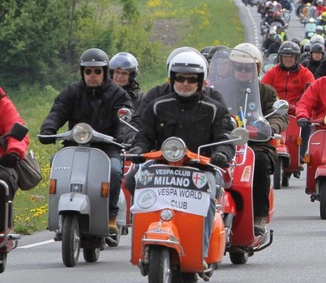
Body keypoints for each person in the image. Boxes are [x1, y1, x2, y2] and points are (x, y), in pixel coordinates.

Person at [128, 50, 233, 261]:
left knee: (210, 197)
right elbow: (144, 135)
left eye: (191, 79)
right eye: (180, 78)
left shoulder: (214, 109)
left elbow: (225, 139)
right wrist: (138, 150)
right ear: (171, 79)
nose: (185, 83)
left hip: (200, 169)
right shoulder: (157, 106)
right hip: (161, 167)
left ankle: (202, 253)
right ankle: (143, 244)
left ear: (201, 82)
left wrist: (222, 154)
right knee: (133, 180)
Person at [39, 48, 132, 238]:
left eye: (97, 71)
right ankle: (61, 217)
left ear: (105, 72)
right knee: (56, 163)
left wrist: (123, 136)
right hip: (75, 146)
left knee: (115, 170)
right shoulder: (72, 92)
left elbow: (125, 118)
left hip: (107, 147)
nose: (92, 75)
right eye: (88, 71)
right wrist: (48, 129)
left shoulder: (118, 94)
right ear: (82, 72)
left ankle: (111, 216)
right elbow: (58, 110)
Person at [226, 44, 288, 232]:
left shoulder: (266, 92)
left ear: (257, 69)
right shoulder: (220, 90)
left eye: (248, 68)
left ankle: (259, 216)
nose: (243, 71)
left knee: (260, 163)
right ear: (232, 68)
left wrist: (269, 127)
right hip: (224, 142)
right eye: (239, 67)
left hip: (256, 143)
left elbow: (279, 115)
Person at [0, 87, 30, 232]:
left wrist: (14, 152)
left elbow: (17, 129)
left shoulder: (3, 104)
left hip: (1, 162)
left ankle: (3, 229)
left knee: (4, 179)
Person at [261, 41, 314, 115]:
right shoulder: (272, 72)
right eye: (285, 56)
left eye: (291, 56)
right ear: (280, 58)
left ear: (296, 58)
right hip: (274, 112)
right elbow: (262, 90)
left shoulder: (305, 73)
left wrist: (298, 108)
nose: (288, 59)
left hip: (297, 114)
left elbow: (311, 95)